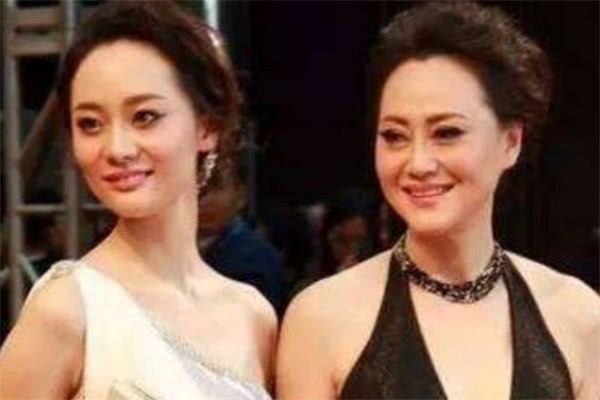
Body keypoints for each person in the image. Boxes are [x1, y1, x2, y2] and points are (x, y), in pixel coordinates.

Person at [276, 2, 600, 399]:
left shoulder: (577, 316)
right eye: (394, 136)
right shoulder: (321, 320)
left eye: (446, 133)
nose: (418, 163)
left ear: (511, 142)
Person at [0, 2, 276, 399]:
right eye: (90, 124)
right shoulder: (68, 310)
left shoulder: (253, 316)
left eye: (144, 116)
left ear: (206, 127)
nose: (117, 148)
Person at [198, 155, 284, 313]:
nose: (202, 196)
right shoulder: (164, 247)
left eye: (215, 186)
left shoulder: (257, 258)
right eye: (197, 185)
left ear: (240, 196)